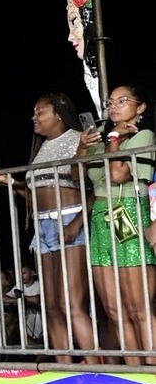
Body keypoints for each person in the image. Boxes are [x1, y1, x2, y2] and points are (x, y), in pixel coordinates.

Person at [2, 92, 97, 362]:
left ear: (58, 114)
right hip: (43, 227)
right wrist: (9, 182)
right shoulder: (41, 148)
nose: (34, 117)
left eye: (40, 112)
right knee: (52, 305)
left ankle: (96, 367)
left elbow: (93, 188)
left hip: (68, 220)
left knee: (71, 304)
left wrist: (78, 223)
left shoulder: (78, 139)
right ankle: (64, 367)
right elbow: (35, 194)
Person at [79, 84, 156, 364]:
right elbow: (76, 176)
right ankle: (135, 372)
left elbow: (117, 174)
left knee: (139, 308)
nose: (114, 107)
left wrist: (114, 138)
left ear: (140, 107)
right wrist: (83, 147)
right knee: (114, 311)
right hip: (101, 216)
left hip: (129, 213)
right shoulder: (102, 138)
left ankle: (152, 371)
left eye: (122, 101)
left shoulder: (144, 135)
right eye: (111, 102)